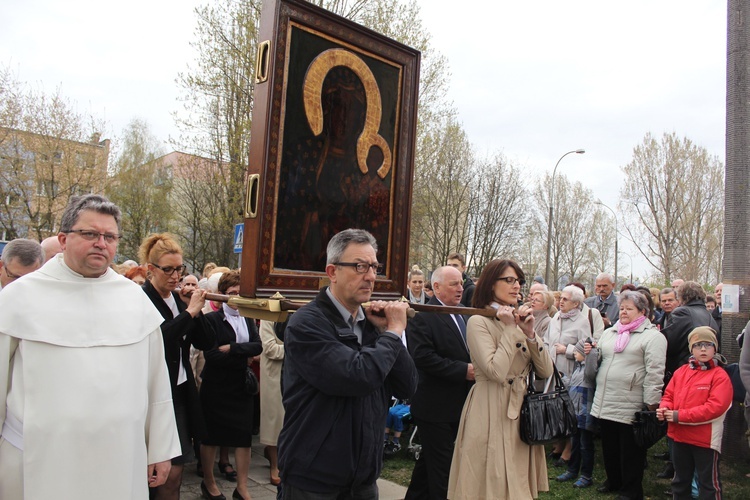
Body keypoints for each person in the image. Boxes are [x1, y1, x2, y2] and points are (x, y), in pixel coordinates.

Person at [0, 194, 180, 499]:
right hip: (39, 454)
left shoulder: (134, 299)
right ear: (63, 238)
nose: (101, 243)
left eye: (109, 236)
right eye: (90, 234)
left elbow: (157, 384)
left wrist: (161, 449)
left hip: (120, 457)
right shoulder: (19, 297)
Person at [277, 228, 417, 499]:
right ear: (332, 272)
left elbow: (408, 385)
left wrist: (387, 331)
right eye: (359, 266)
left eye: (374, 267)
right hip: (314, 481)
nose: (371, 276)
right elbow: (357, 375)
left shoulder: (372, 325)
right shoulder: (307, 323)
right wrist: (393, 333)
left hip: (363, 482)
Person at [448, 259, 553, 500]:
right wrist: (509, 330)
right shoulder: (478, 322)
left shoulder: (519, 320)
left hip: (520, 412)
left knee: (516, 483)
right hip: (490, 408)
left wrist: (530, 334)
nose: (516, 286)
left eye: (518, 281)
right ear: (491, 284)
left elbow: (546, 371)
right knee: (489, 481)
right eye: (509, 280)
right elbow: (495, 371)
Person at [139, 233, 216, 500]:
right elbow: (160, 338)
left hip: (180, 395)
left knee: (176, 472)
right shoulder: (142, 299)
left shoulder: (178, 299)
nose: (175, 276)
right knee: (154, 473)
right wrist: (190, 313)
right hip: (150, 396)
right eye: (168, 269)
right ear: (151, 270)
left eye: (179, 269)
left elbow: (207, 342)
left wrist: (194, 310)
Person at [590, 290, 667, 500]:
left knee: (630, 451)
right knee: (610, 446)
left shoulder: (653, 337)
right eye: (622, 308)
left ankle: (631, 490)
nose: (623, 312)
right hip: (606, 399)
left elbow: (655, 371)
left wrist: (652, 402)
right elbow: (601, 358)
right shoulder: (610, 332)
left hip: (630, 401)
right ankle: (613, 480)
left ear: (642, 311)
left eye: (629, 309)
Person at [405, 265, 473, 500]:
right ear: (436, 287)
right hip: (434, 407)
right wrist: (463, 370)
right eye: (453, 284)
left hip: (459, 403)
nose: (460, 288)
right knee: (442, 471)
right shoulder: (422, 315)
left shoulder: (465, 312)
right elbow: (423, 358)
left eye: (461, 283)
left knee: (430, 463)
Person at [200, 271, 263, 500]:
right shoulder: (211, 320)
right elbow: (212, 355)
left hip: (240, 386)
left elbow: (257, 347)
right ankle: (209, 483)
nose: (236, 298)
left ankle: (242, 487)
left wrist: (232, 348)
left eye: (240, 293)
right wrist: (242, 354)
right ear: (222, 295)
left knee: (243, 439)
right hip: (216, 387)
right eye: (232, 293)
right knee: (211, 437)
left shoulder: (247, 317)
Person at [657, 327, 732, 500]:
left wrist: (679, 416)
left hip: (704, 440)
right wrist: (665, 408)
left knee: (708, 484)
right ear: (691, 349)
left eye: (708, 344)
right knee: (680, 481)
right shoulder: (681, 371)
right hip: (679, 437)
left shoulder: (719, 376)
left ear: (715, 348)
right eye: (698, 345)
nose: (703, 349)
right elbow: (669, 395)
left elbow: (715, 408)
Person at [545, 285, 594, 466]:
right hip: (553, 370)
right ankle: (558, 444)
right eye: (561, 298)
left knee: (569, 411)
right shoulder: (556, 316)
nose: (561, 301)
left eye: (565, 299)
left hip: (570, 372)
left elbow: (587, 349)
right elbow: (547, 339)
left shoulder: (582, 321)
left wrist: (567, 350)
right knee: (556, 409)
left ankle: (568, 450)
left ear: (575, 303)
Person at [555, 339, 598, 488]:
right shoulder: (577, 368)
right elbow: (572, 385)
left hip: (585, 414)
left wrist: (591, 352)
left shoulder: (588, 371)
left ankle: (586, 475)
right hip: (575, 414)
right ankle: (572, 469)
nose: (574, 353)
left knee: (585, 445)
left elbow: (591, 372)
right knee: (574, 444)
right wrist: (562, 378)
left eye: (577, 351)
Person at [259, 319, 286, 487]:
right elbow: (270, 349)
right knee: (274, 422)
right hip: (275, 375)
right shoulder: (268, 317)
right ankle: (275, 465)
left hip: (298, 374)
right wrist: (301, 345)